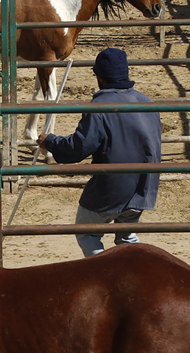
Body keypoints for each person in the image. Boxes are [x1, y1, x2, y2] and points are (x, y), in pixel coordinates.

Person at [39, 47, 162, 257]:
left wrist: (50, 142)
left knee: (86, 233)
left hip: (112, 188)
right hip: (144, 186)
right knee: (126, 236)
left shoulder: (100, 106)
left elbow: (78, 148)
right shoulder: (146, 101)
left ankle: (103, 272)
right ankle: (131, 275)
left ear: (99, 76)